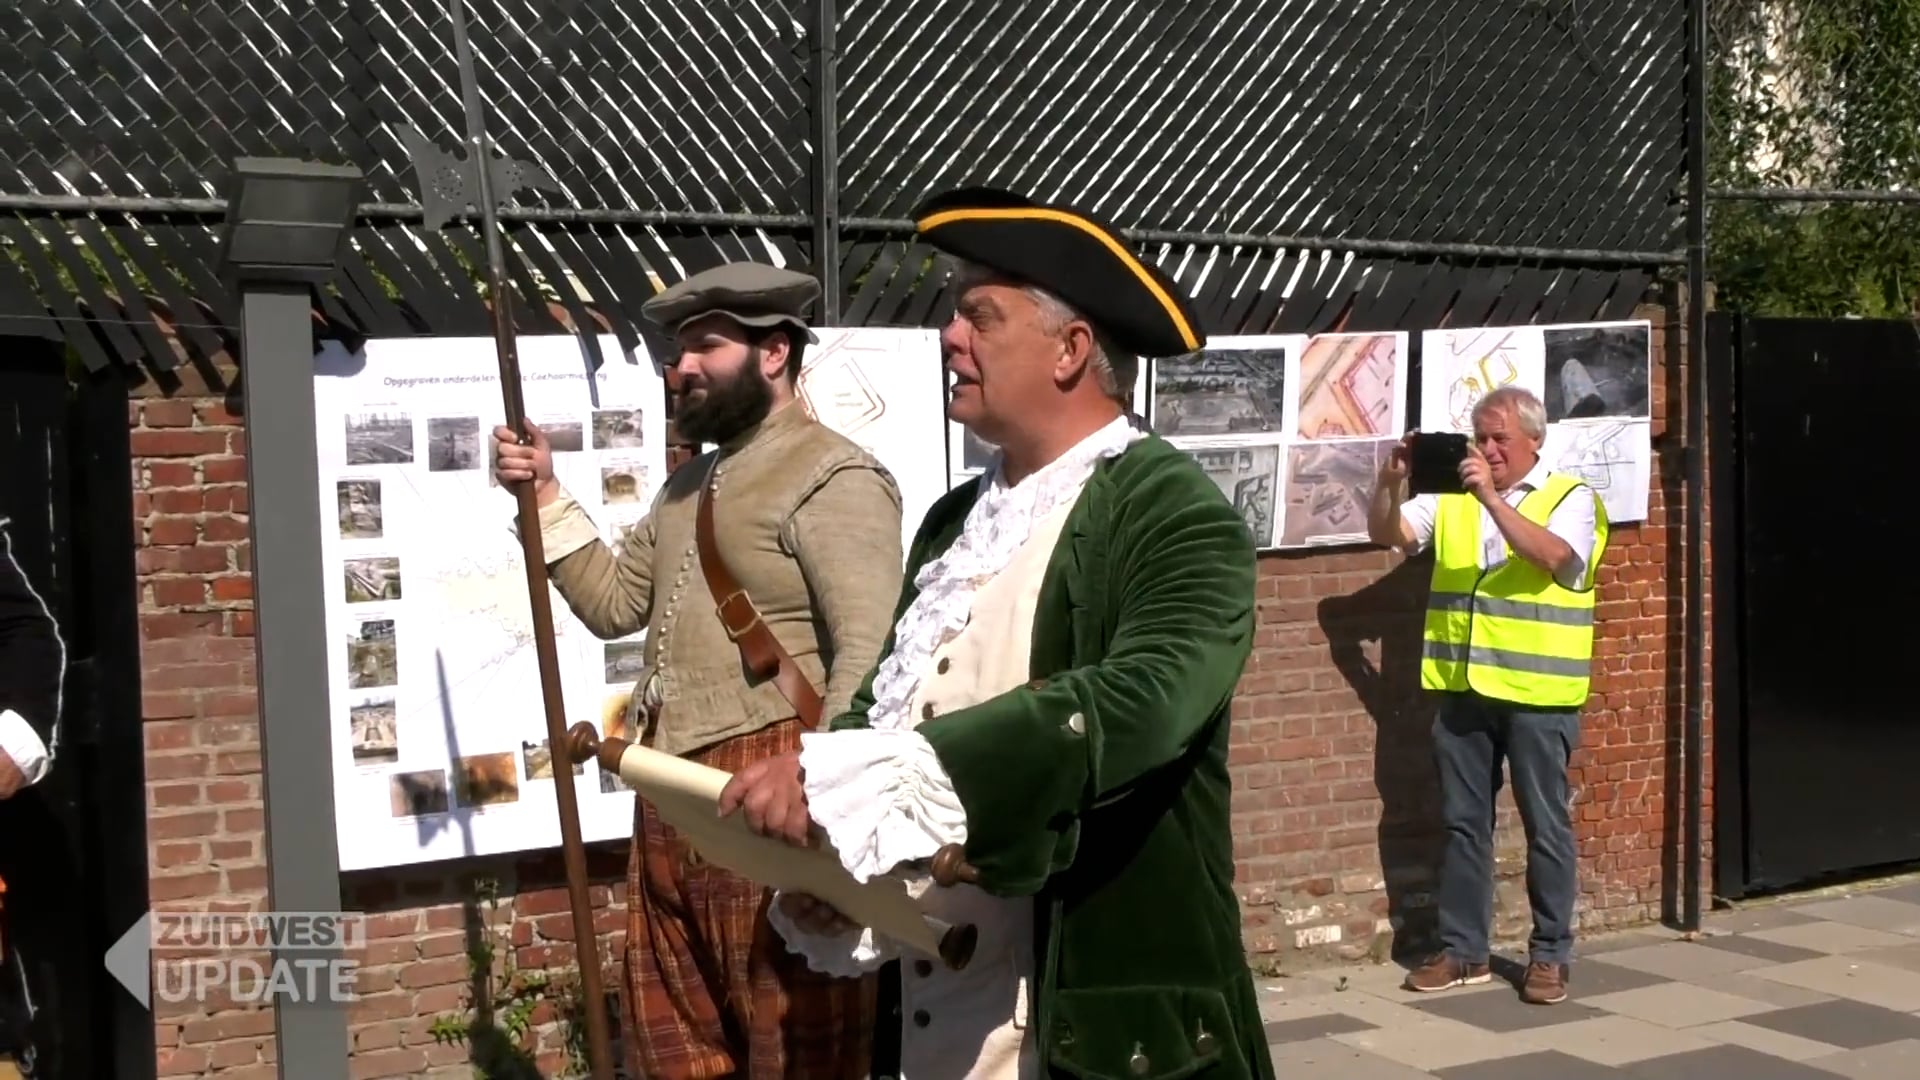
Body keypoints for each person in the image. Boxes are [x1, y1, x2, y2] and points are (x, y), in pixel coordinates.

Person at [717, 187, 1276, 1080]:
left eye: (981, 316)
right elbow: (883, 708)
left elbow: (1144, 700)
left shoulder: (1171, 508)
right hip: (942, 1003)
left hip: (1089, 1008)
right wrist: (844, 873)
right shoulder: (952, 521)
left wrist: (864, 777)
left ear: (1072, 349)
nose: (949, 336)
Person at [491, 261, 905, 1078]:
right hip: (670, 788)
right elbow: (614, 605)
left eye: (704, 348)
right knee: (679, 1048)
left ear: (775, 353)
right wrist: (543, 493)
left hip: (775, 783)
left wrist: (825, 788)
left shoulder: (834, 473)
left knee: (794, 1049)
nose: (680, 369)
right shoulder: (686, 487)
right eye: (676, 353)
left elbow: (873, 647)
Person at [1365, 386, 1609, 1006]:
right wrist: (1391, 482)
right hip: (1464, 689)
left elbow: (1555, 557)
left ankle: (1551, 955)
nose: (1489, 448)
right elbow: (1387, 532)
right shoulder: (1453, 500)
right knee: (1463, 824)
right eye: (1481, 436)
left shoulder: (1571, 498)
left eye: (1501, 437)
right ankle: (1464, 950)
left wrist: (1491, 498)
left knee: (1545, 826)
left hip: (1536, 693)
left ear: (1534, 439)